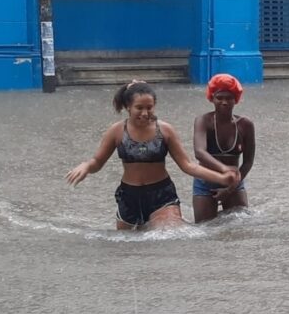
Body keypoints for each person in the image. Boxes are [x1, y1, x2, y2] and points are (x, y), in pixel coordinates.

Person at [65, 80, 240, 230]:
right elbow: (97, 161)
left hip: (161, 195)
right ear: (128, 107)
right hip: (128, 196)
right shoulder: (117, 131)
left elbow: (188, 165)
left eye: (149, 108)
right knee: (128, 248)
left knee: (169, 237)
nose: (144, 113)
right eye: (139, 108)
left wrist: (221, 178)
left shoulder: (165, 130)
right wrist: (86, 166)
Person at [192, 74, 255, 223]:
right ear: (212, 98)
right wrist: (224, 169)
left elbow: (248, 162)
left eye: (229, 98)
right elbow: (199, 152)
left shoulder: (245, 124)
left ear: (236, 99)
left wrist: (230, 188)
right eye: (219, 98)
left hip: (233, 181)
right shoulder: (203, 121)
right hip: (206, 180)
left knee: (240, 226)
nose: (224, 102)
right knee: (204, 228)